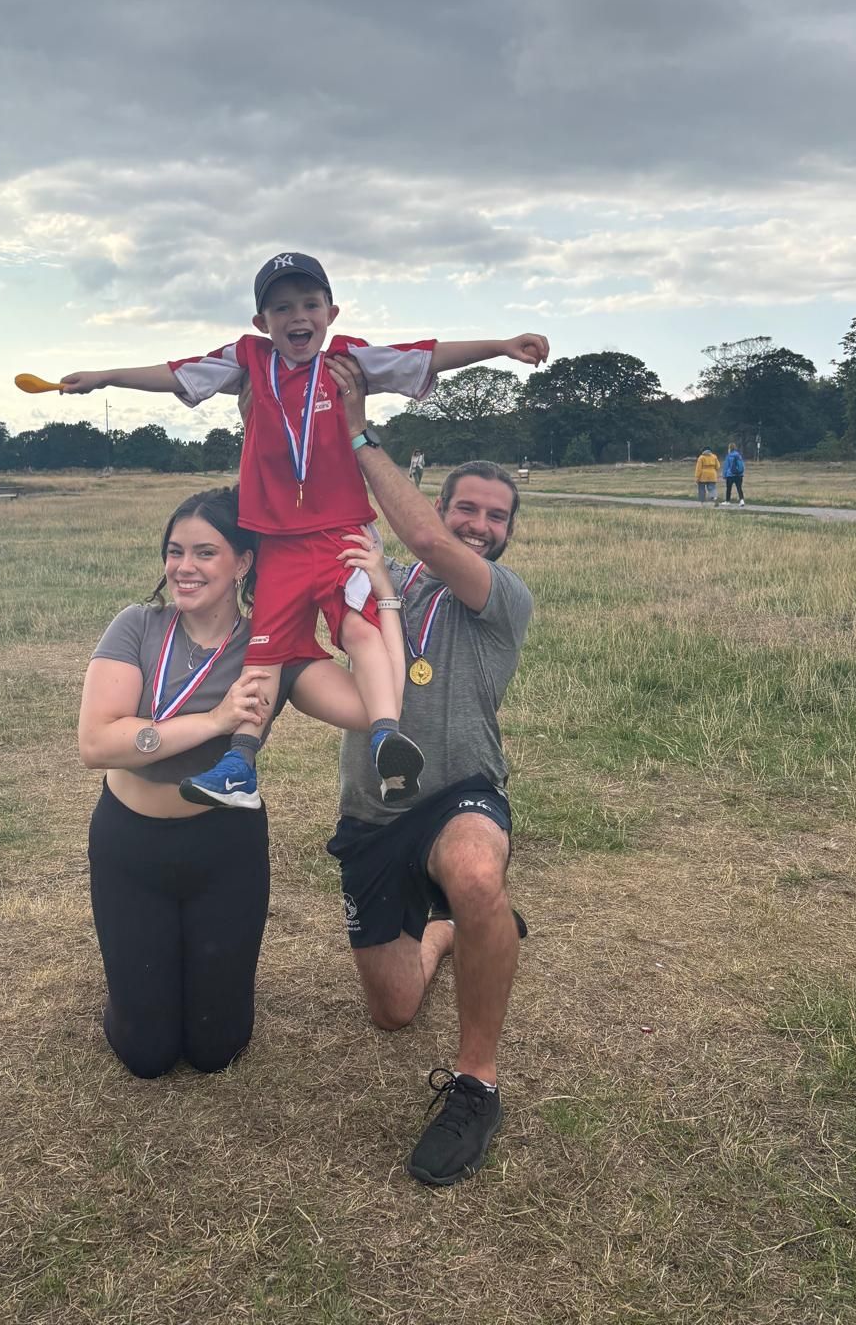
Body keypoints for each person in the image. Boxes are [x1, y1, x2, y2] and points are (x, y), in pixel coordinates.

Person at [61, 252, 549, 815]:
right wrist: (104, 377)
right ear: (260, 322)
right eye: (282, 307)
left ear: (331, 312)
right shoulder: (248, 361)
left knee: (360, 633)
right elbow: (176, 373)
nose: (298, 316)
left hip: (342, 534)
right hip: (277, 542)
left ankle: (388, 736)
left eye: (310, 304)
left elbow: (426, 352)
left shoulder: (348, 361)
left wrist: (502, 345)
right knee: (263, 655)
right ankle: (239, 763)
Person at [79, 484, 404, 1079]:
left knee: (216, 1049)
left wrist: (382, 599)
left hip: (223, 849)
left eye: (205, 552)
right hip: (130, 846)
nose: (184, 567)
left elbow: (372, 705)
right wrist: (215, 720)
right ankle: (138, 992)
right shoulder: (137, 627)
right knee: (144, 1054)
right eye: (174, 551)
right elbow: (98, 743)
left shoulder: (272, 648)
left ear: (244, 561)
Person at [324, 353, 536, 1187]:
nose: (481, 524)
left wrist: (356, 431)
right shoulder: (383, 585)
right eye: (467, 509)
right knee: (394, 1010)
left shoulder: (500, 597)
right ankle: (456, 929)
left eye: (497, 515)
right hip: (374, 812)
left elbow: (421, 538)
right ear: (444, 503)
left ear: (507, 532)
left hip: (461, 792)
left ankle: (478, 1083)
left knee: (476, 872)